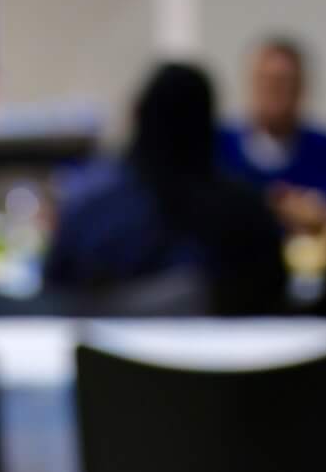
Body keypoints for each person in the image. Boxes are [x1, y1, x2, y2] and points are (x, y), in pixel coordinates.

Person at [44, 61, 285, 316]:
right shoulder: (248, 215)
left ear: (138, 115)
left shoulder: (89, 208)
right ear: (208, 122)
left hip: (104, 353)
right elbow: (275, 303)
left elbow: (53, 296)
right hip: (215, 355)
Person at [218, 37, 326, 235]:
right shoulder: (218, 147)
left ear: (302, 88)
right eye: (266, 81)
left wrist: (321, 217)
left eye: (285, 83)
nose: (275, 93)